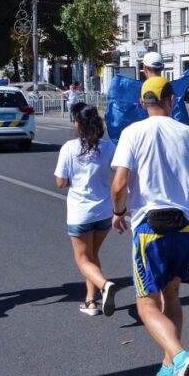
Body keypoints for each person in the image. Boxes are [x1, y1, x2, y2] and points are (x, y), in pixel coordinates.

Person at [111, 76, 189, 376]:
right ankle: (170, 364)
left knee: (145, 303)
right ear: (172, 102)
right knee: (172, 294)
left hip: (150, 228)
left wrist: (119, 212)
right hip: (184, 228)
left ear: (143, 104)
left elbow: (119, 185)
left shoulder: (133, 132)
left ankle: (179, 355)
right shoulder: (188, 134)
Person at [54, 103, 118, 317]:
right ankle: (91, 301)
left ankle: (104, 285)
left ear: (77, 125)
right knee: (92, 255)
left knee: (82, 259)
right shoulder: (108, 147)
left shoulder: (69, 148)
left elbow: (61, 182)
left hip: (80, 212)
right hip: (104, 211)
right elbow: (121, 174)